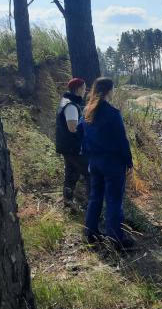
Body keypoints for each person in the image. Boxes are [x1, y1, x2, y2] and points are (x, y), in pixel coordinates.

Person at [81, 77, 134, 248]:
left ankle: (90, 233)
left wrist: (88, 157)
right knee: (114, 200)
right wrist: (129, 162)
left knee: (95, 197)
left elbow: (83, 137)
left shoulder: (87, 111)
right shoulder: (112, 113)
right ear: (109, 91)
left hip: (94, 162)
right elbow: (122, 141)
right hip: (112, 163)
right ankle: (116, 239)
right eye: (113, 89)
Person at [55, 77, 89, 208]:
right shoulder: (71, 105)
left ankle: (68, 201)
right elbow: (72, 127)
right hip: (73, 146)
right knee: (89, 172)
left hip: (66, 145)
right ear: (79, 89)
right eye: (84, 88)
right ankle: (90, 203)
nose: (85, 91)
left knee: (71, 172)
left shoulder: (65, 101)